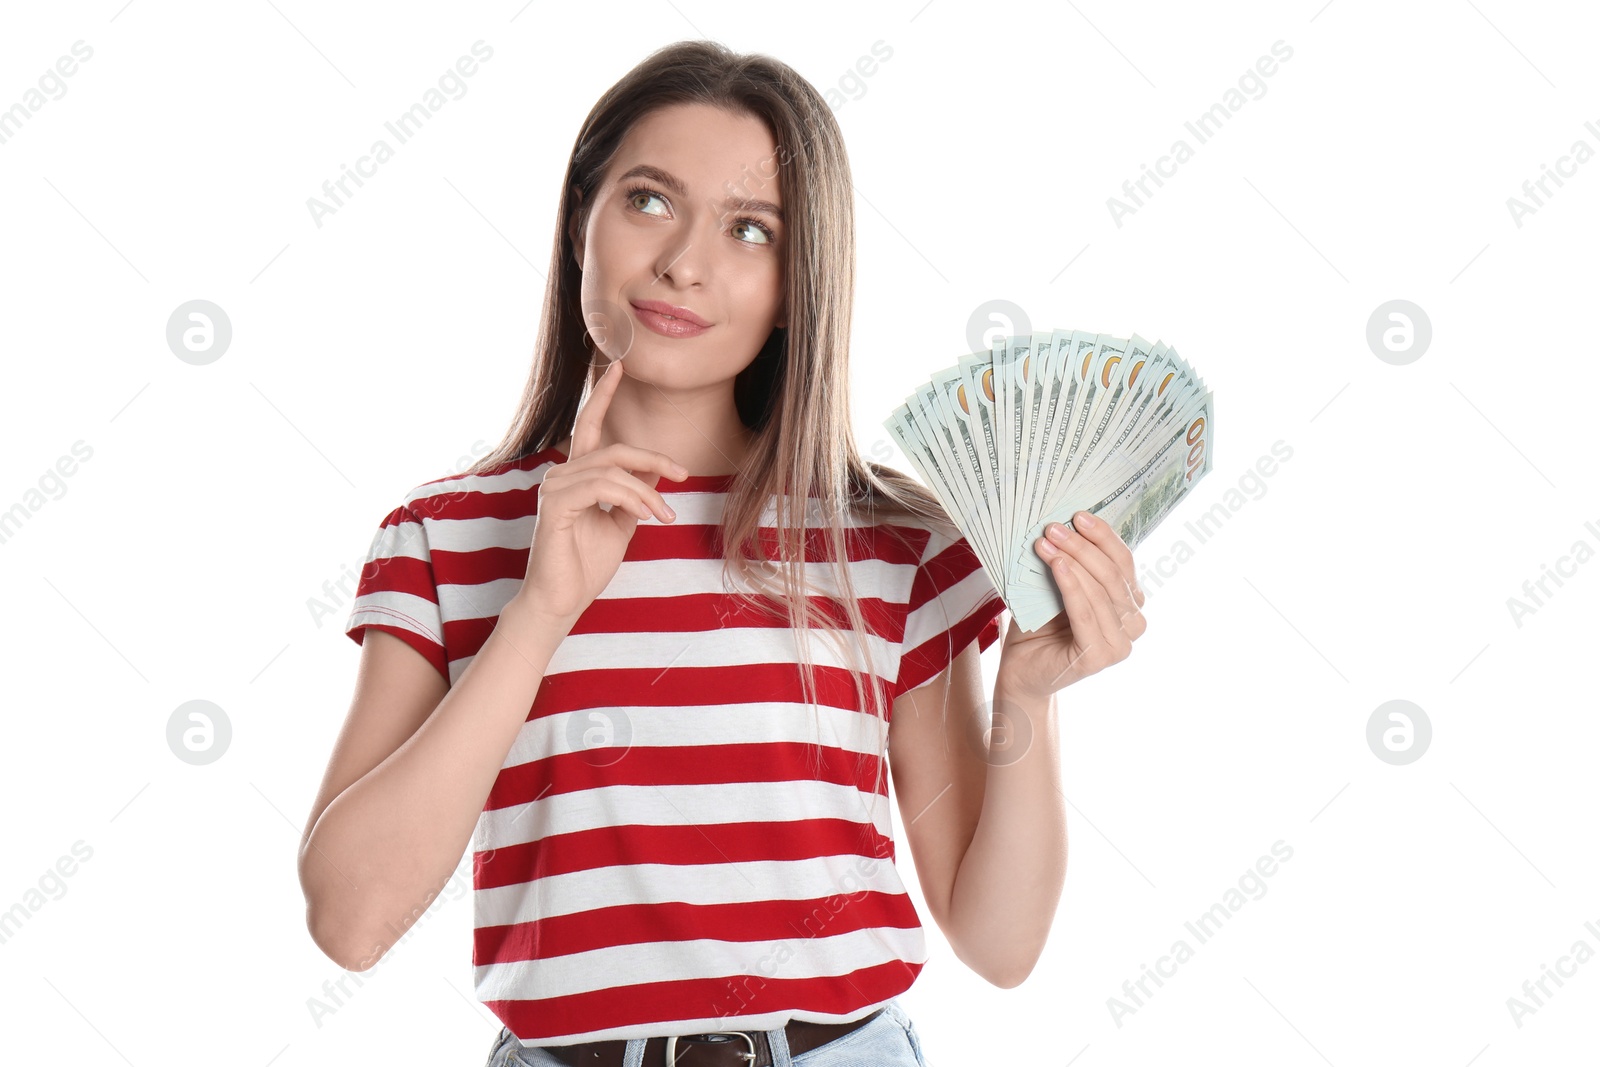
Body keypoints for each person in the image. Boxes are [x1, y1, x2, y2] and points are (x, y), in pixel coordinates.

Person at [299, 38, 1147, 1067]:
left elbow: (999, 941)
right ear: (582, 221)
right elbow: (349, 918)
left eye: (750, 230)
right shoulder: (448, 537)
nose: (683, 263)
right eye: (648, 201)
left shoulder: (890, 548)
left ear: (798, 284)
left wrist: (1031, 694)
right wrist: (538, 612)